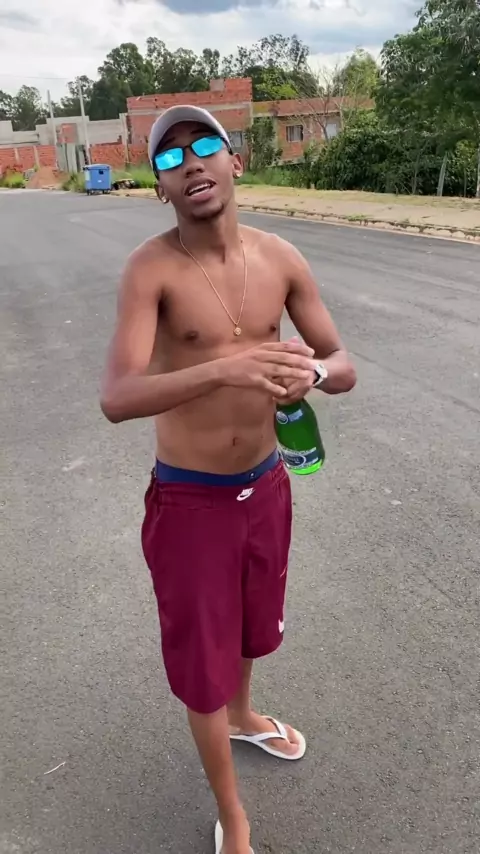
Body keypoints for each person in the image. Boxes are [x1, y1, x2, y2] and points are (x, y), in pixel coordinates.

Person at [100, 105, 356, 854]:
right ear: (160, 187)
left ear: (236, 162)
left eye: (206, 144)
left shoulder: (281, 257)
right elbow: (117, 396)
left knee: (250, 626)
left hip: (266, 486)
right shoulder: (150, 269)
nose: (191, 162)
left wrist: (311, 374)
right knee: (201, 664)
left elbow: (342, 363)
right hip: (191, 500)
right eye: (170, 157)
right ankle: (232, 813)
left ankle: (244, 716)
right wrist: (226, 369)